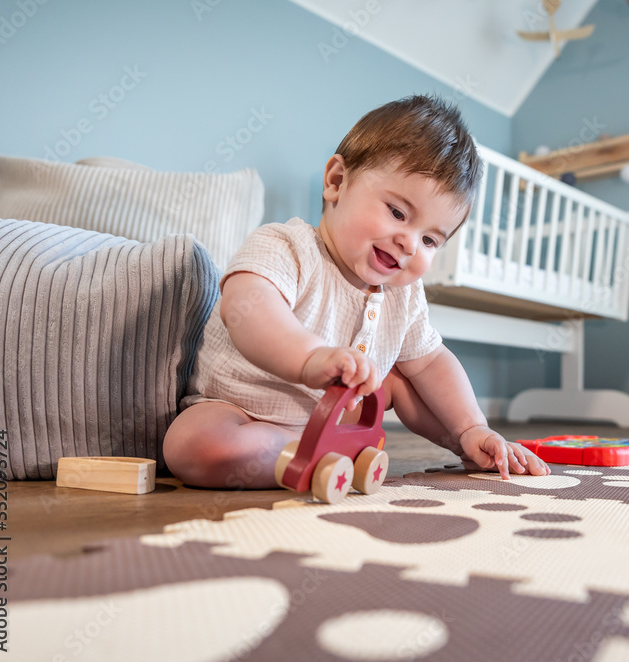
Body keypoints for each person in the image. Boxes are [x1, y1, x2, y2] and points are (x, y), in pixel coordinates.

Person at [164, 95, 551, 489]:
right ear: (336, 182)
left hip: (332, 415)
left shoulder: (405, 294)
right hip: (240, 411)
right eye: (398, 213)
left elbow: (433, 362)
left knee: (403, 378)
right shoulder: (285, 246)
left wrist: (473, 426)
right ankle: (310, 453)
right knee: (191, 445)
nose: (409, 244)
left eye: (431, 240)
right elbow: (248, 310)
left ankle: (465, 446)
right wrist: (309, 359)